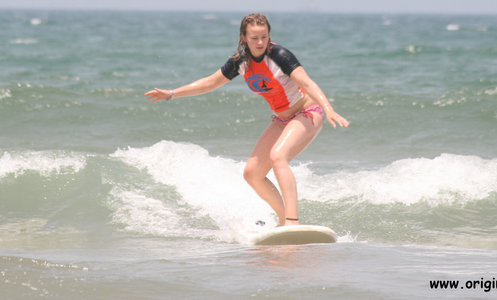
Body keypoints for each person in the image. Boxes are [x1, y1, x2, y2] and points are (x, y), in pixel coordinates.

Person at [145, 13, 349, 227]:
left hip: (308, 113)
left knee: (278, 156)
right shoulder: (241, 63)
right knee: (252, 173)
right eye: (254, 38)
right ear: (244, 38)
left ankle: (292, 221)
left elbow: (307, 83)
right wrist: (171, 93)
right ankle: (283, 220)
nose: (260, 42)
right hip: (282, 120)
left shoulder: (280, 55)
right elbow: (209, 83)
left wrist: (329, 109)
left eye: (264, 36)